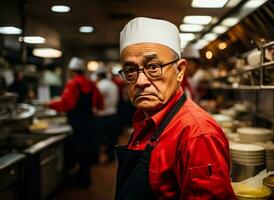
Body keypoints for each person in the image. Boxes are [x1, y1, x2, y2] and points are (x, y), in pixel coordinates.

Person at [115, 17, 236, 199]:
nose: (140, 81)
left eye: (153, 67)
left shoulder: (197, 135)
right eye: (130, 70)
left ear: (179, 71)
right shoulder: (145, 119)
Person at [47, 57, 103, 188]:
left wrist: (50, 104)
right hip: (90, 123)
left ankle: (80, 180)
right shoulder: (91, 83)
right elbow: (100, 102)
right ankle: (85, 177)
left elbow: (68, 104)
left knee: (76, 151)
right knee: (86, 151)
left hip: (77, 124)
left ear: (72, 70)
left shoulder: (72, 83)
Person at [94, 67, 119, 164]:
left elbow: (96, 101)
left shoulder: (100, 85)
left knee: (100, 138)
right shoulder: (113, 85)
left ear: (99, 76)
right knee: (111, 137)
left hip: (102, 115)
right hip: (113, 113)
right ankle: (111, 157)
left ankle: (97, 159)